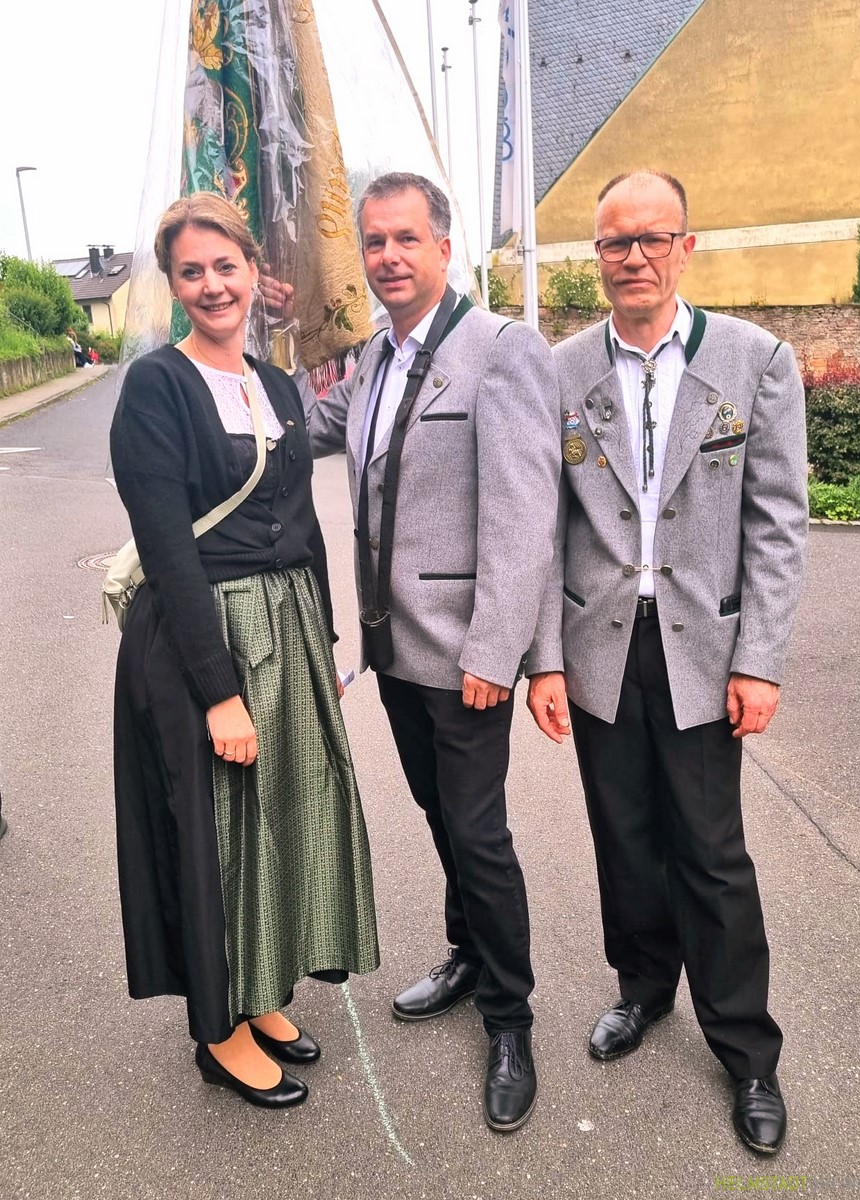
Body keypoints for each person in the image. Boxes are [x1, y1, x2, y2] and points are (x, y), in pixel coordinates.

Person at [527, 170, 807, 1155]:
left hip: (705, 647)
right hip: (598, 645)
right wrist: (543, 660)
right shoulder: (561, 370)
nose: (633, 257)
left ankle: (748, 1050)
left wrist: (759, 659)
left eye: (652, 238)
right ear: (597, 256)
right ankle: (643, 988)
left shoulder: (755, 360)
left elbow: (778, 522)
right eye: (615, 242)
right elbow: (543, 525)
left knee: (711, 852)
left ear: (686, 247)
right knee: (624, 834)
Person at [110, 192, 379, 1110]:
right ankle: (218, 1032)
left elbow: (303, 525)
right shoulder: (157, 387)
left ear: (255, 272)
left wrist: (324, 646)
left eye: (226, 266)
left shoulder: (276, 383)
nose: (212, 285)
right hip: (204, 640)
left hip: (288, 629)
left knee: (277, 822)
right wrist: (218, 691)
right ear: (174, 284)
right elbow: (167, 548)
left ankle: (260, 994)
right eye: (192, 272)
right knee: (216, 837)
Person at [302, 172, 560, 1132]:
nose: (388, 257)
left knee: (480, 835)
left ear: (444, 248)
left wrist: (499, 649)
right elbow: (307, 427)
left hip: (465, 656)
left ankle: (511, 1020)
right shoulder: (374, 356)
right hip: (394, 648)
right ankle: (466, 954)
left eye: (406, 239)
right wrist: (242, 341)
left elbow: (525, 516)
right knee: (439, 814)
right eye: (374, 242)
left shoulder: (501, 349)